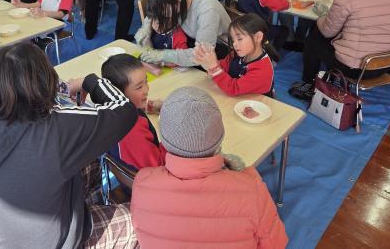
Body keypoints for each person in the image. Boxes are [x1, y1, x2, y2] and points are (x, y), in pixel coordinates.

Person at [0, 42, 139, 249]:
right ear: (47, 79)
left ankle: (92, 207)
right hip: (52, 244)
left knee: (89, 161)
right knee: (145, 222)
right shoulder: (55, 129)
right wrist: (90, 81)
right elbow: (125, 111)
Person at [130, 86, 288, 249]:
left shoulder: (142, 183)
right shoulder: (252, 188)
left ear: (163, 141)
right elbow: (276, 244)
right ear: (220, 138)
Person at [135, 0, 230, 67]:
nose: (164, 17)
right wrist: (145, 28)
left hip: (219, 53)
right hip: (193, 42)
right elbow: (157, 10)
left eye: (165, 14)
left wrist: (162, 56)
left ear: (177, 0)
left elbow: (202, 55)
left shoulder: (207, 11)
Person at [101, 54, 166, 170]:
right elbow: (159, 166)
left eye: (146, 81)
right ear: (119, 93)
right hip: (148, 177)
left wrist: (149, 106)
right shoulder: (133, 129)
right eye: (139, 87)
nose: (146, 89)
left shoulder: (107, 106)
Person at [194, 14, 278, 97]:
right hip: (237, 99)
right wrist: (208, 63)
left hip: (256, 103)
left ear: (258, 37)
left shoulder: (263, 70)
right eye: (233, 40)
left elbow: (234, 88)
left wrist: (214, 68)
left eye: (239, 39)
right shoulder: (235, 54)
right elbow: (223, 67)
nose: (234, 44)